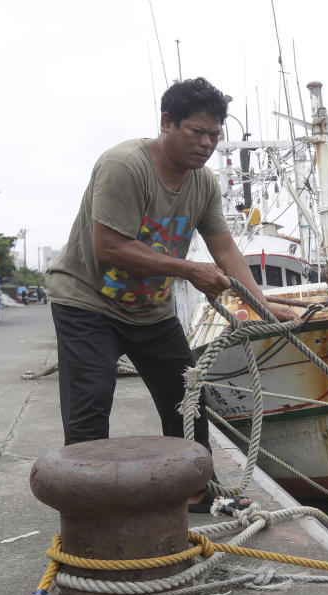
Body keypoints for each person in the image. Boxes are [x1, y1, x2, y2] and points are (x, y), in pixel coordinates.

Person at [45, 77, 294, 511]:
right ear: (166, 122)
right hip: (87, 303)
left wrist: (260, 302)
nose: (207, 144)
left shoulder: (203, 184)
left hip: (150, 311)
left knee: (189, 399)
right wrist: (188, 269)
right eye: (196, 131)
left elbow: (223, 247)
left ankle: (197, 491)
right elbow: (110, 247)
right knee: (90, 409)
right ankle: (87, 513)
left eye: (215, 135)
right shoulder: (125, 165)